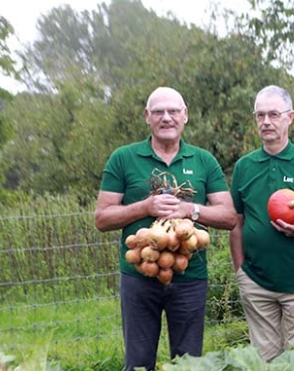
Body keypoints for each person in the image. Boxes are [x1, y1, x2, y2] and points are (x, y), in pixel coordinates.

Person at [94, 87, 237, 370]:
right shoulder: (123, 158)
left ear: (185, 116)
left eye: (173, 111)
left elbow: (229, 216)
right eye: (158, 112)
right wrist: (144, 207)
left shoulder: (204, 160)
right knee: (138, 362)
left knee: (188, 363)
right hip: (138, 275)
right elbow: (102, 218)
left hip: (190, 276)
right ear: (147, 117)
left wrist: (191, 210)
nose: (166, 117)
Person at [229, 86, 294, 360]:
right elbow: (236, 221)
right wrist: (240, 270)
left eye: (274, 114)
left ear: (290, 117)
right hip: (256, 281)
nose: (266, 122)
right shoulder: (244, 166)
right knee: (264, 360)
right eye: (260, 115)